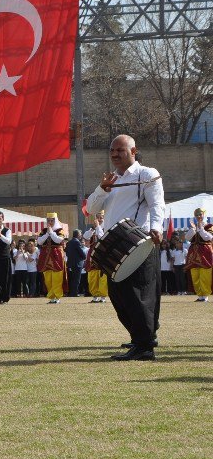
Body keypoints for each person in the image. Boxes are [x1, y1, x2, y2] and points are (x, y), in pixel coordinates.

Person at [86, 134, 166, 360]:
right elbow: (91, 208)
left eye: (120, 150)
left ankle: (144, 346)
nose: (114, 154)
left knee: (137, 295)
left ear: (133, 151)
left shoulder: (146, 174)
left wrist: (157, 227)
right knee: (119, 296)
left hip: (139, 243)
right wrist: (102, 189)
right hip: (114, 246)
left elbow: (157, 204)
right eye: (112, 150)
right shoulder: (110, 179)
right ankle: (140, 336)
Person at [36, 213, 67, 304]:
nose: (50, 222)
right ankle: (51, 296)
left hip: (56, 255)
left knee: (57, 276)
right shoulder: (44, 230)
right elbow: (39, 241)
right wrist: (47, 233)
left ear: (55, 220)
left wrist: (51, 233)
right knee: (48, 277)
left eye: (52, 220)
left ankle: (57, 296)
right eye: (48, 220)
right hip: (46, 256)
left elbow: (58, 240)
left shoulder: (60, 230)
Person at [184, 207, 212, 302]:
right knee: (195, 274)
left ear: (204, 214)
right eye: (197, 215)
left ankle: (205, 295)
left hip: (205, 252)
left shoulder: (209, 226)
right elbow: (187, 238)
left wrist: (200, 228)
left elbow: (207, 238)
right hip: (194, 253)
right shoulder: (194, 226)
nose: (198, 216)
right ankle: (200, 295)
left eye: (200, 214)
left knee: (205, 274)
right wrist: (193, 229)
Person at [84, 211, 109, 303]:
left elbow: (103, 238)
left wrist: (98, 227)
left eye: (101, 217)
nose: (99, 219)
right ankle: (95, 295)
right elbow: (85, 236)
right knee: (93, 274)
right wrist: (93, 228)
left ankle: (103, 296)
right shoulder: (93, 228)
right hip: (93, 253)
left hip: (103, 253)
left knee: (103, 274)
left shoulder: (107, 227)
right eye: (97, 217)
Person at [66, 230, 88, 299]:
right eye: (80, 234)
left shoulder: (69, 242)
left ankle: (72, 292)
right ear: (78, 235)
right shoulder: (77, 242)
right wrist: (84, 257)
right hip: (78, 263)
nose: (81, 235)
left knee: (72, 278)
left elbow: (66, 252)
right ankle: (74, 293)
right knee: (77, 279)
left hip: (70, 263)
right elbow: (82, 253)